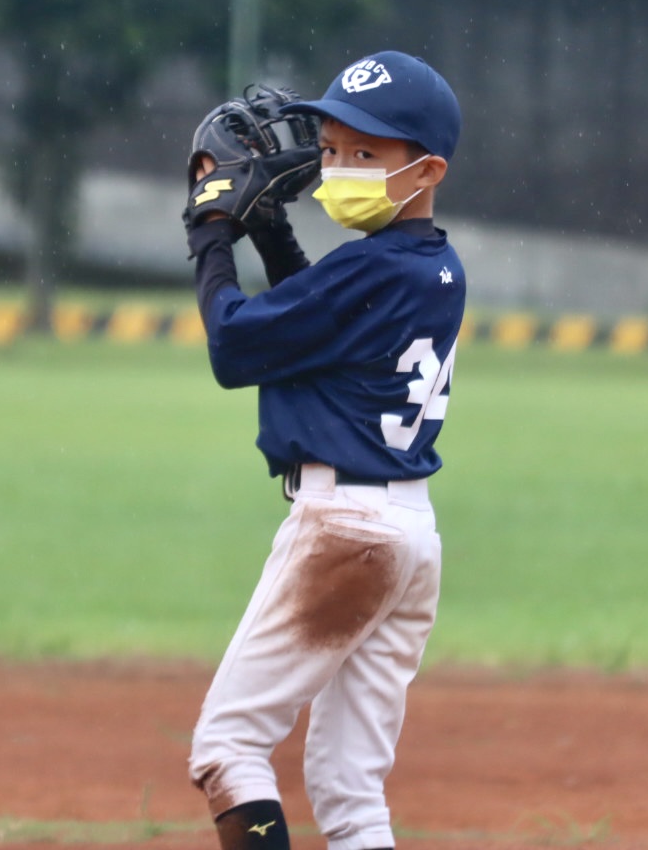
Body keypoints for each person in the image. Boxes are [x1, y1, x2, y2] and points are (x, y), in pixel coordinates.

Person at [182, 51, 465, 850]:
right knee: (350, 789)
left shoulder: (371, 267)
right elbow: (316, 326)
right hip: (409, 536)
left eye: (367, 153)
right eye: (334, 149)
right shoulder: (430, 265)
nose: (341, 168)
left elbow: (236, 347)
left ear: (428, 169)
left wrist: (209, 234)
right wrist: (271, 232)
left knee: (229, 749)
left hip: (343, 529)